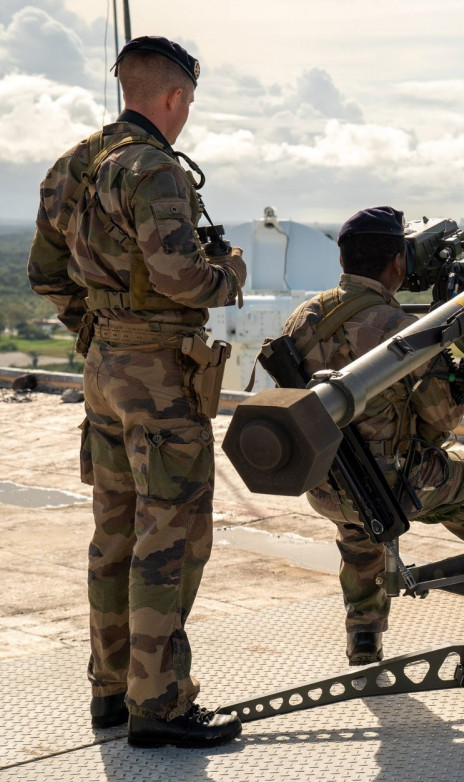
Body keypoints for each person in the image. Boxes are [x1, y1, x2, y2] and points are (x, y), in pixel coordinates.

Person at [26, 36, 245, 748]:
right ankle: (161, 703)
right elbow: (184, 277)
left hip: (104, 368)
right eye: (189, 103)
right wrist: (230, 276)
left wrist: (97, 329)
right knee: (171, 534)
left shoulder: (74, 165)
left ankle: (110, 690)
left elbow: (45, 271)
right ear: (175, 98)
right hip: (158, 372)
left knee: (114, 531)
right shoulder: (153, 169)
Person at [280, 206, 464, 665]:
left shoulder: (302, 318)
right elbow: (444, 421)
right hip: (400, 486)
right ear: (399, 263)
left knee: (359, 525)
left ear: (342, 259)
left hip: (326, 483)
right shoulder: (403, 330)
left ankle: (364, 635)